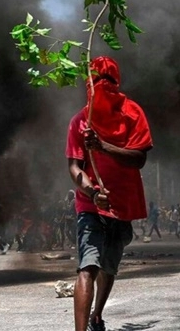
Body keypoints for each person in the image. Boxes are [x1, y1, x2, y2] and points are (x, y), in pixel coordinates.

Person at [66, 56, 153, 331]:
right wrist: (92, 192)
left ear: (116, 83)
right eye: (95, 82)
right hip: (90, 205)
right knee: (87, 267)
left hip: (121, 205)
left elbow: (139, 158)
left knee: (109, 267)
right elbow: (74, 167)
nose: (101, 88)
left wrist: (103, 146)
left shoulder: (133, 113)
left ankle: (96, 316)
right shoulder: (80, 122)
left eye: (107, 82)